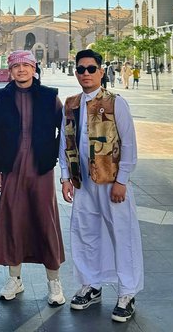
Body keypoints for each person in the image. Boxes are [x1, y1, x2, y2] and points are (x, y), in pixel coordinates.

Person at [60, 49, 143, 323]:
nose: (86, 74)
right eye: (81, 69)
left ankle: (127, 292)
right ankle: (91, 284)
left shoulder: (115, 102)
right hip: (82, 181)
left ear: (101, 71)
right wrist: (64, 176)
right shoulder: (71, 104)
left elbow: (129, 145)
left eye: (91, 68)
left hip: (110, 182)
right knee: (86, 232)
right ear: (75, 73)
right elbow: (65, 143)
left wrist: (122, 181)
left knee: (121, 233)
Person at [0, 50, 65, 306]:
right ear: (10, 71)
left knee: (46, 220)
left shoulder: (49, 97)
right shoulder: (2, 97)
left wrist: (53, 155)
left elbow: (65, 130)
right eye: (16, 66)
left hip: (40, 166)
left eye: (26, 65)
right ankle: (15, 278)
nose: (21, 70)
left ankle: (54, 282)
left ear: (34, 68)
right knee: (13, 218)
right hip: (12, 166)